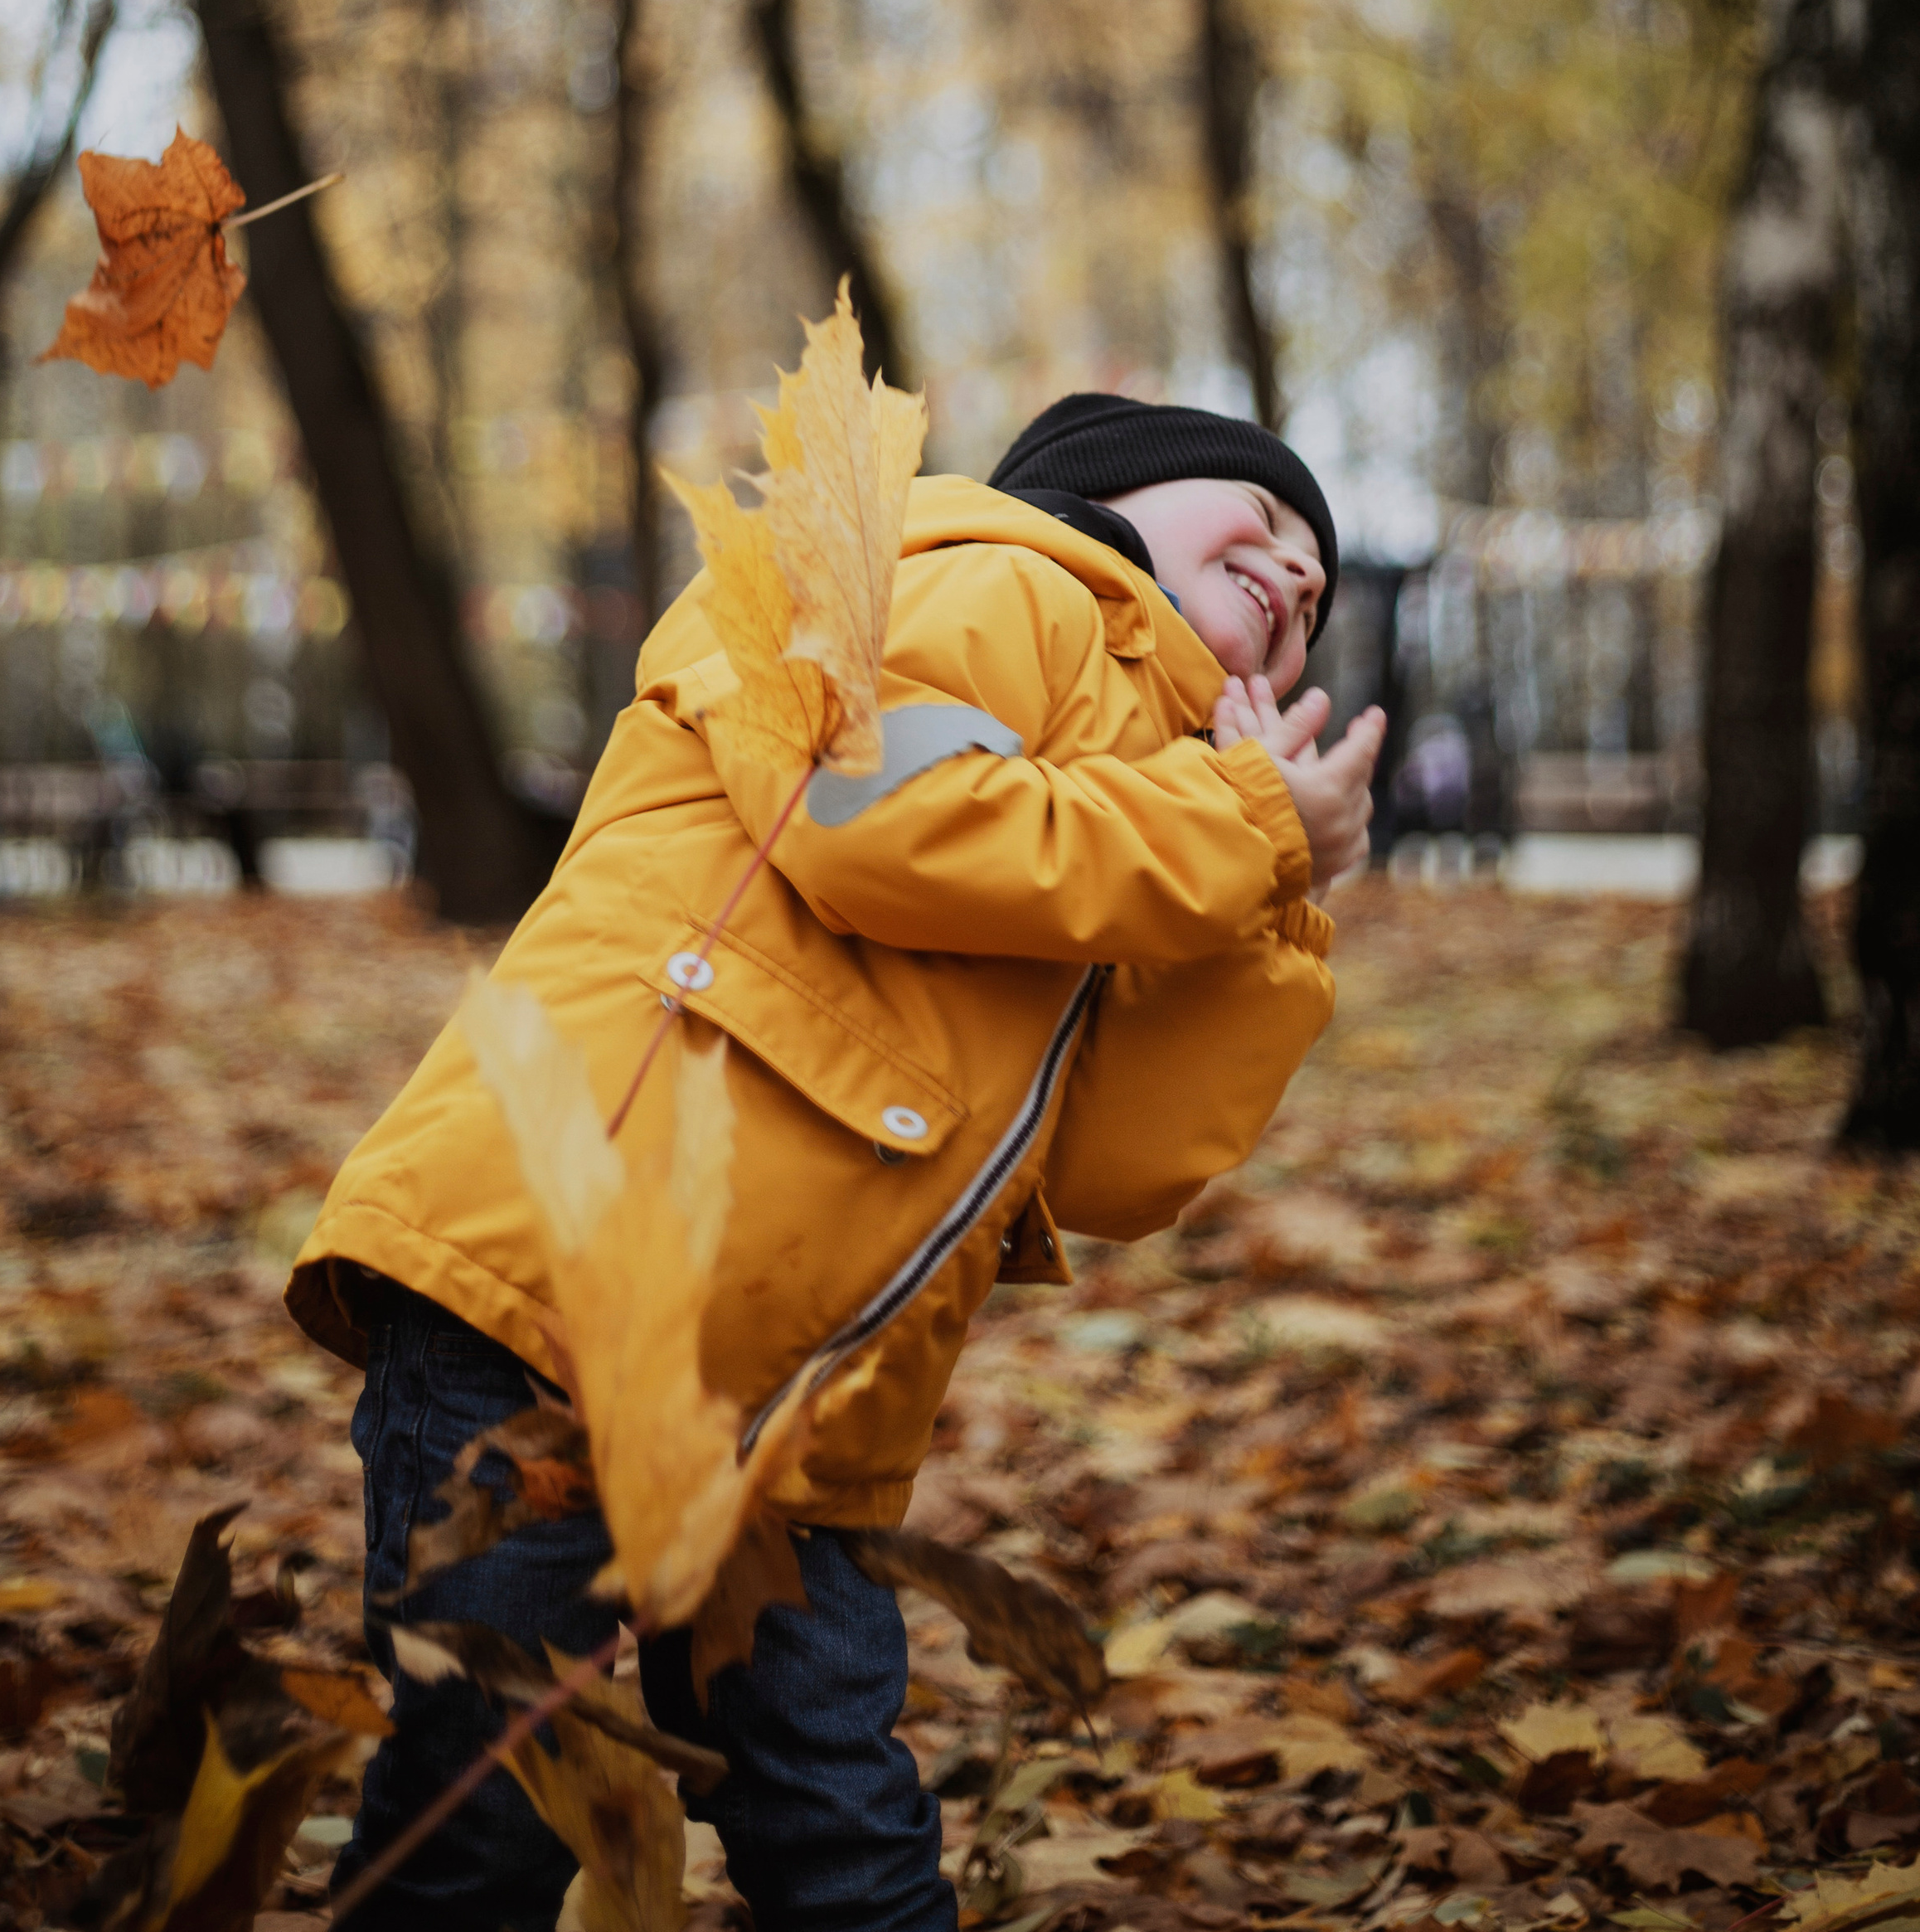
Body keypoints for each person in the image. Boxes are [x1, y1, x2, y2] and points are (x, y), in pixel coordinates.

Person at [287, 391, 1386, 1932]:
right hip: (554, 1303)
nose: (1298, 574)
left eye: (1318, 593)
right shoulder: (995, 574)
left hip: (801, 1419)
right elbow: (863, 813)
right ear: (1106, 491)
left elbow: (1124, 1163)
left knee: (847, 1838)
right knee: (492, 1811)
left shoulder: (1134, 816)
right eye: (1260, 519)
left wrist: (1270, 895)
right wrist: (1237, 820)